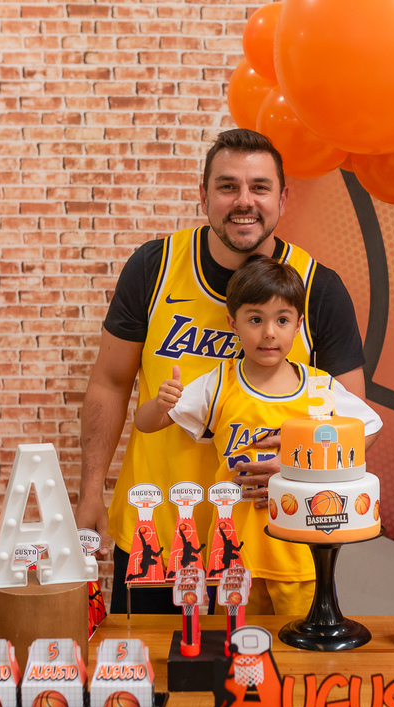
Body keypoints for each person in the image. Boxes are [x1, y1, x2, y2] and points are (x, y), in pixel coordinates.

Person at [77, 129, 367, 613]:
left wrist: (304, 465)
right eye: (228, 186)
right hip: (159, 531)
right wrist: (89, 492)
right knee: (154, 683)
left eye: (259, 187)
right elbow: (109, 384)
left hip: (268, 543)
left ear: (282, 198)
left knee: (268, 687)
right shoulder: (154, 267)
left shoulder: (318, 288)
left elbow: (354, 423)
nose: (244, 201)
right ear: (204, 195)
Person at [135, 256, 381, 614]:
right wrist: (160, 404)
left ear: (298, 325)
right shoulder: (220, 383)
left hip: (300, 552)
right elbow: (145, 424)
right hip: (234, 552)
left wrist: (301, 464)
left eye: (282, 320)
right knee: (235, 649)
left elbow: (369, 427)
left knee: (299, 656)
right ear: (233, 323)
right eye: (256, 319)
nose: (269, 332)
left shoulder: (319, 388)